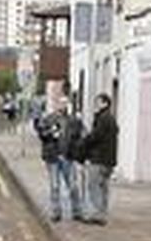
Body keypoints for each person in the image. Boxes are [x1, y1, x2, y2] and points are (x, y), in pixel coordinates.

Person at [36, 101, 83, 222]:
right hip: (53, 158)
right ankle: (56, 212)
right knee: (55, 186)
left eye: (65, 104)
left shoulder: (73, 120)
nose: (63, 106)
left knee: (73, 186)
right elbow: (41, 134)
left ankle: (77, 211)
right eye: (61, 104)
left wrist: (79, 154)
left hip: (68, 157)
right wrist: (51, 133)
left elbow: (79, 137)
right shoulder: (48, 119)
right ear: (56, 105)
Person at [81, 93, 118, 225]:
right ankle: (103, 213)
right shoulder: (111, 118)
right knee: (103, 187)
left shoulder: (103, 118)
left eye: (98, 102)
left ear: (105, 103)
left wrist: (84, 140)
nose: (95, 105)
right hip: (109, 160)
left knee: (93, 186)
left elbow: (95, 137)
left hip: (99, 158)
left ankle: (97, 213)